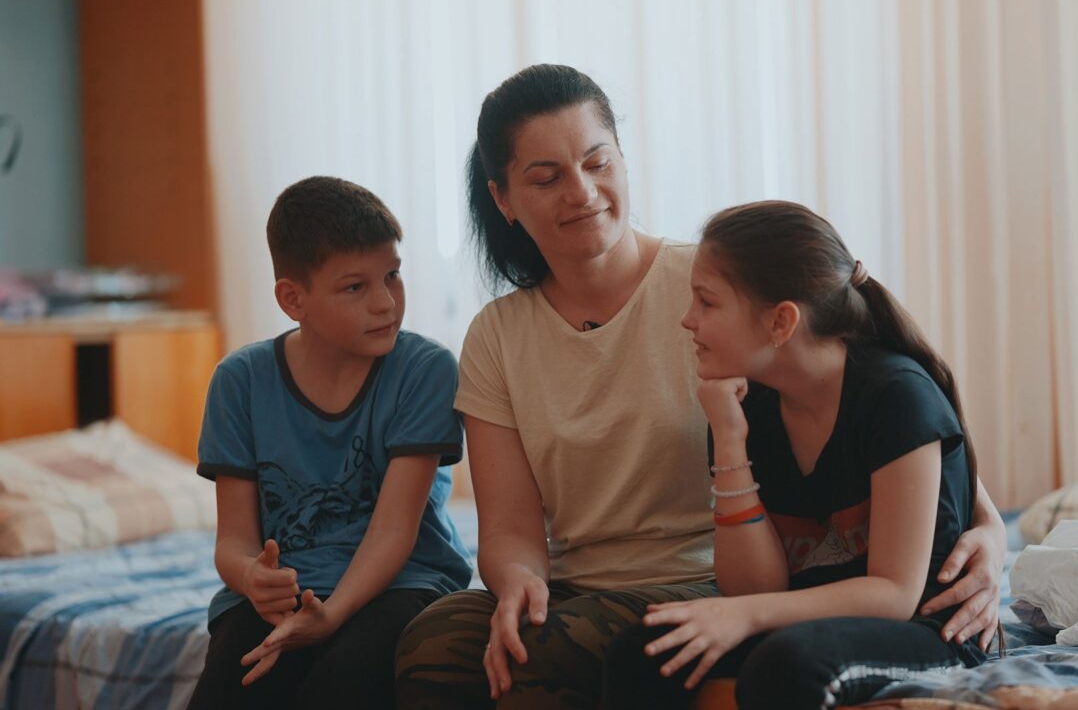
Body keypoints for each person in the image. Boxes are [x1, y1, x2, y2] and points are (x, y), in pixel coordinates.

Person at [395, 65, 1006, 710]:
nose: (581, 192)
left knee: (542, 662)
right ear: (504, 198)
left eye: (598, 162)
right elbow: (512, 525)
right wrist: (518, 583)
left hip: (708, 581)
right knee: (433, 646)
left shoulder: (725, 291)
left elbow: (906, 430)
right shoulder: (497, 335)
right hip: (578, 588)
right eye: (546, 178)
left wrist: (990, 536)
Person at [601, 200, 995, 709]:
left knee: (786, 664)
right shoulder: (751, 406)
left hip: (923, 626)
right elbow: (755, 585)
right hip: (806, 618)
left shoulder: (896, 397)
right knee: (643, 650)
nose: (687, 320)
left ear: (780, 322)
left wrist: (748, 617)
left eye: (707, 302)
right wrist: (728, 438)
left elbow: (894, 593)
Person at [188, 176, 472, 709]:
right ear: (293, 299)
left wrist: (331, 617)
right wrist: (252, 577)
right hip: (281, 596)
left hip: (402, 580)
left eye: (393, 276)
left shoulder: (424, 370)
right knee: (234, 681)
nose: (386, 302)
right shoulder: (240, 380)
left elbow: (393, 531)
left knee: (347, 677)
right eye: (355, 287)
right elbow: (233, 541)